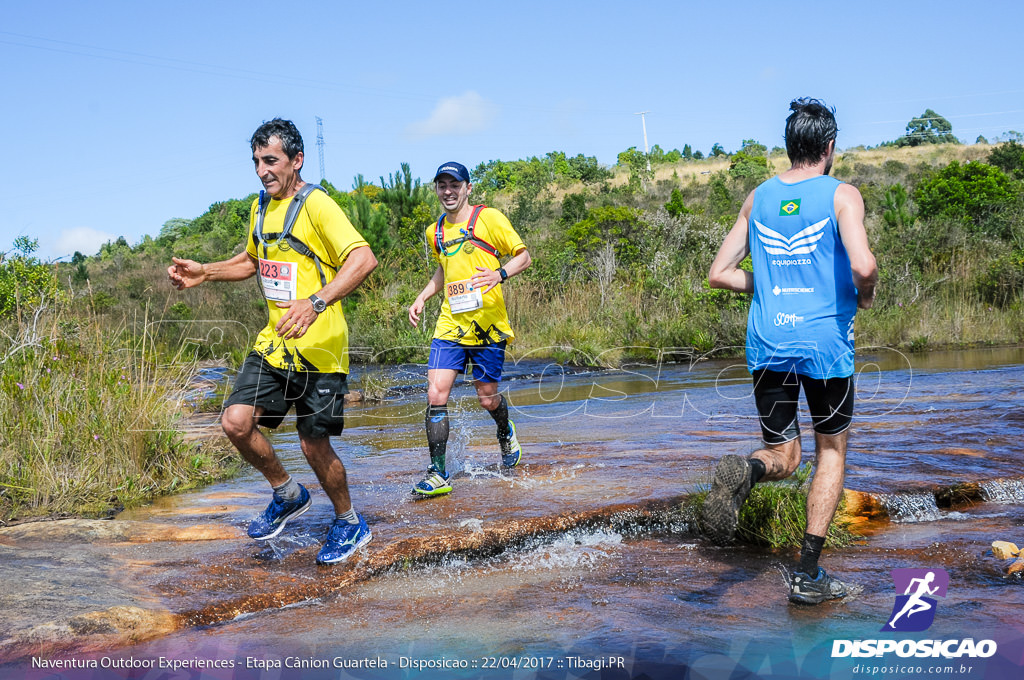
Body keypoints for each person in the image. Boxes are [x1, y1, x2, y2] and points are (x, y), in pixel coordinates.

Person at [168, 118, 378, 565]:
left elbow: (363, 258)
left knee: (312, 443)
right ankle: (287, 492)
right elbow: (252, 260)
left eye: (272, 160)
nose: (263, 170)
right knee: (236, 422)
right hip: (275, 345)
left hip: (321, 347)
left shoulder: (318, 205)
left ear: (296, 160)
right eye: (257, 162)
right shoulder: (259, 207)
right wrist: (206, 271)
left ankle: (348, 520)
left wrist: (316, 302)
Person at [702, 98, 878, 605]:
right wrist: (863, 297)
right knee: (829, 451)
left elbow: (718, 273)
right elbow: (863, 267)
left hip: (769, 339)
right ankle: (807, 575)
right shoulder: (843, 194)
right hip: (825, 343)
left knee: (784, 453)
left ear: (789, 146)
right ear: (828, 147)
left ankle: (750, 470)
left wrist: (770, 286)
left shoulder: (758, 197)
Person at [407, 161, 532, 497]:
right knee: (436, 394)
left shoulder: (488, 219)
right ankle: (437, 473)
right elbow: (443, 272)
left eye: (454, 185)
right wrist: (421, 297)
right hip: (450, 324)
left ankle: (505, 432)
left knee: (487, 398)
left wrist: (499, 274)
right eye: (442, 185)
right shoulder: (434, 232)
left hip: (488, 327)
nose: (448, 191)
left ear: (467, 188)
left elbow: (523, 256)